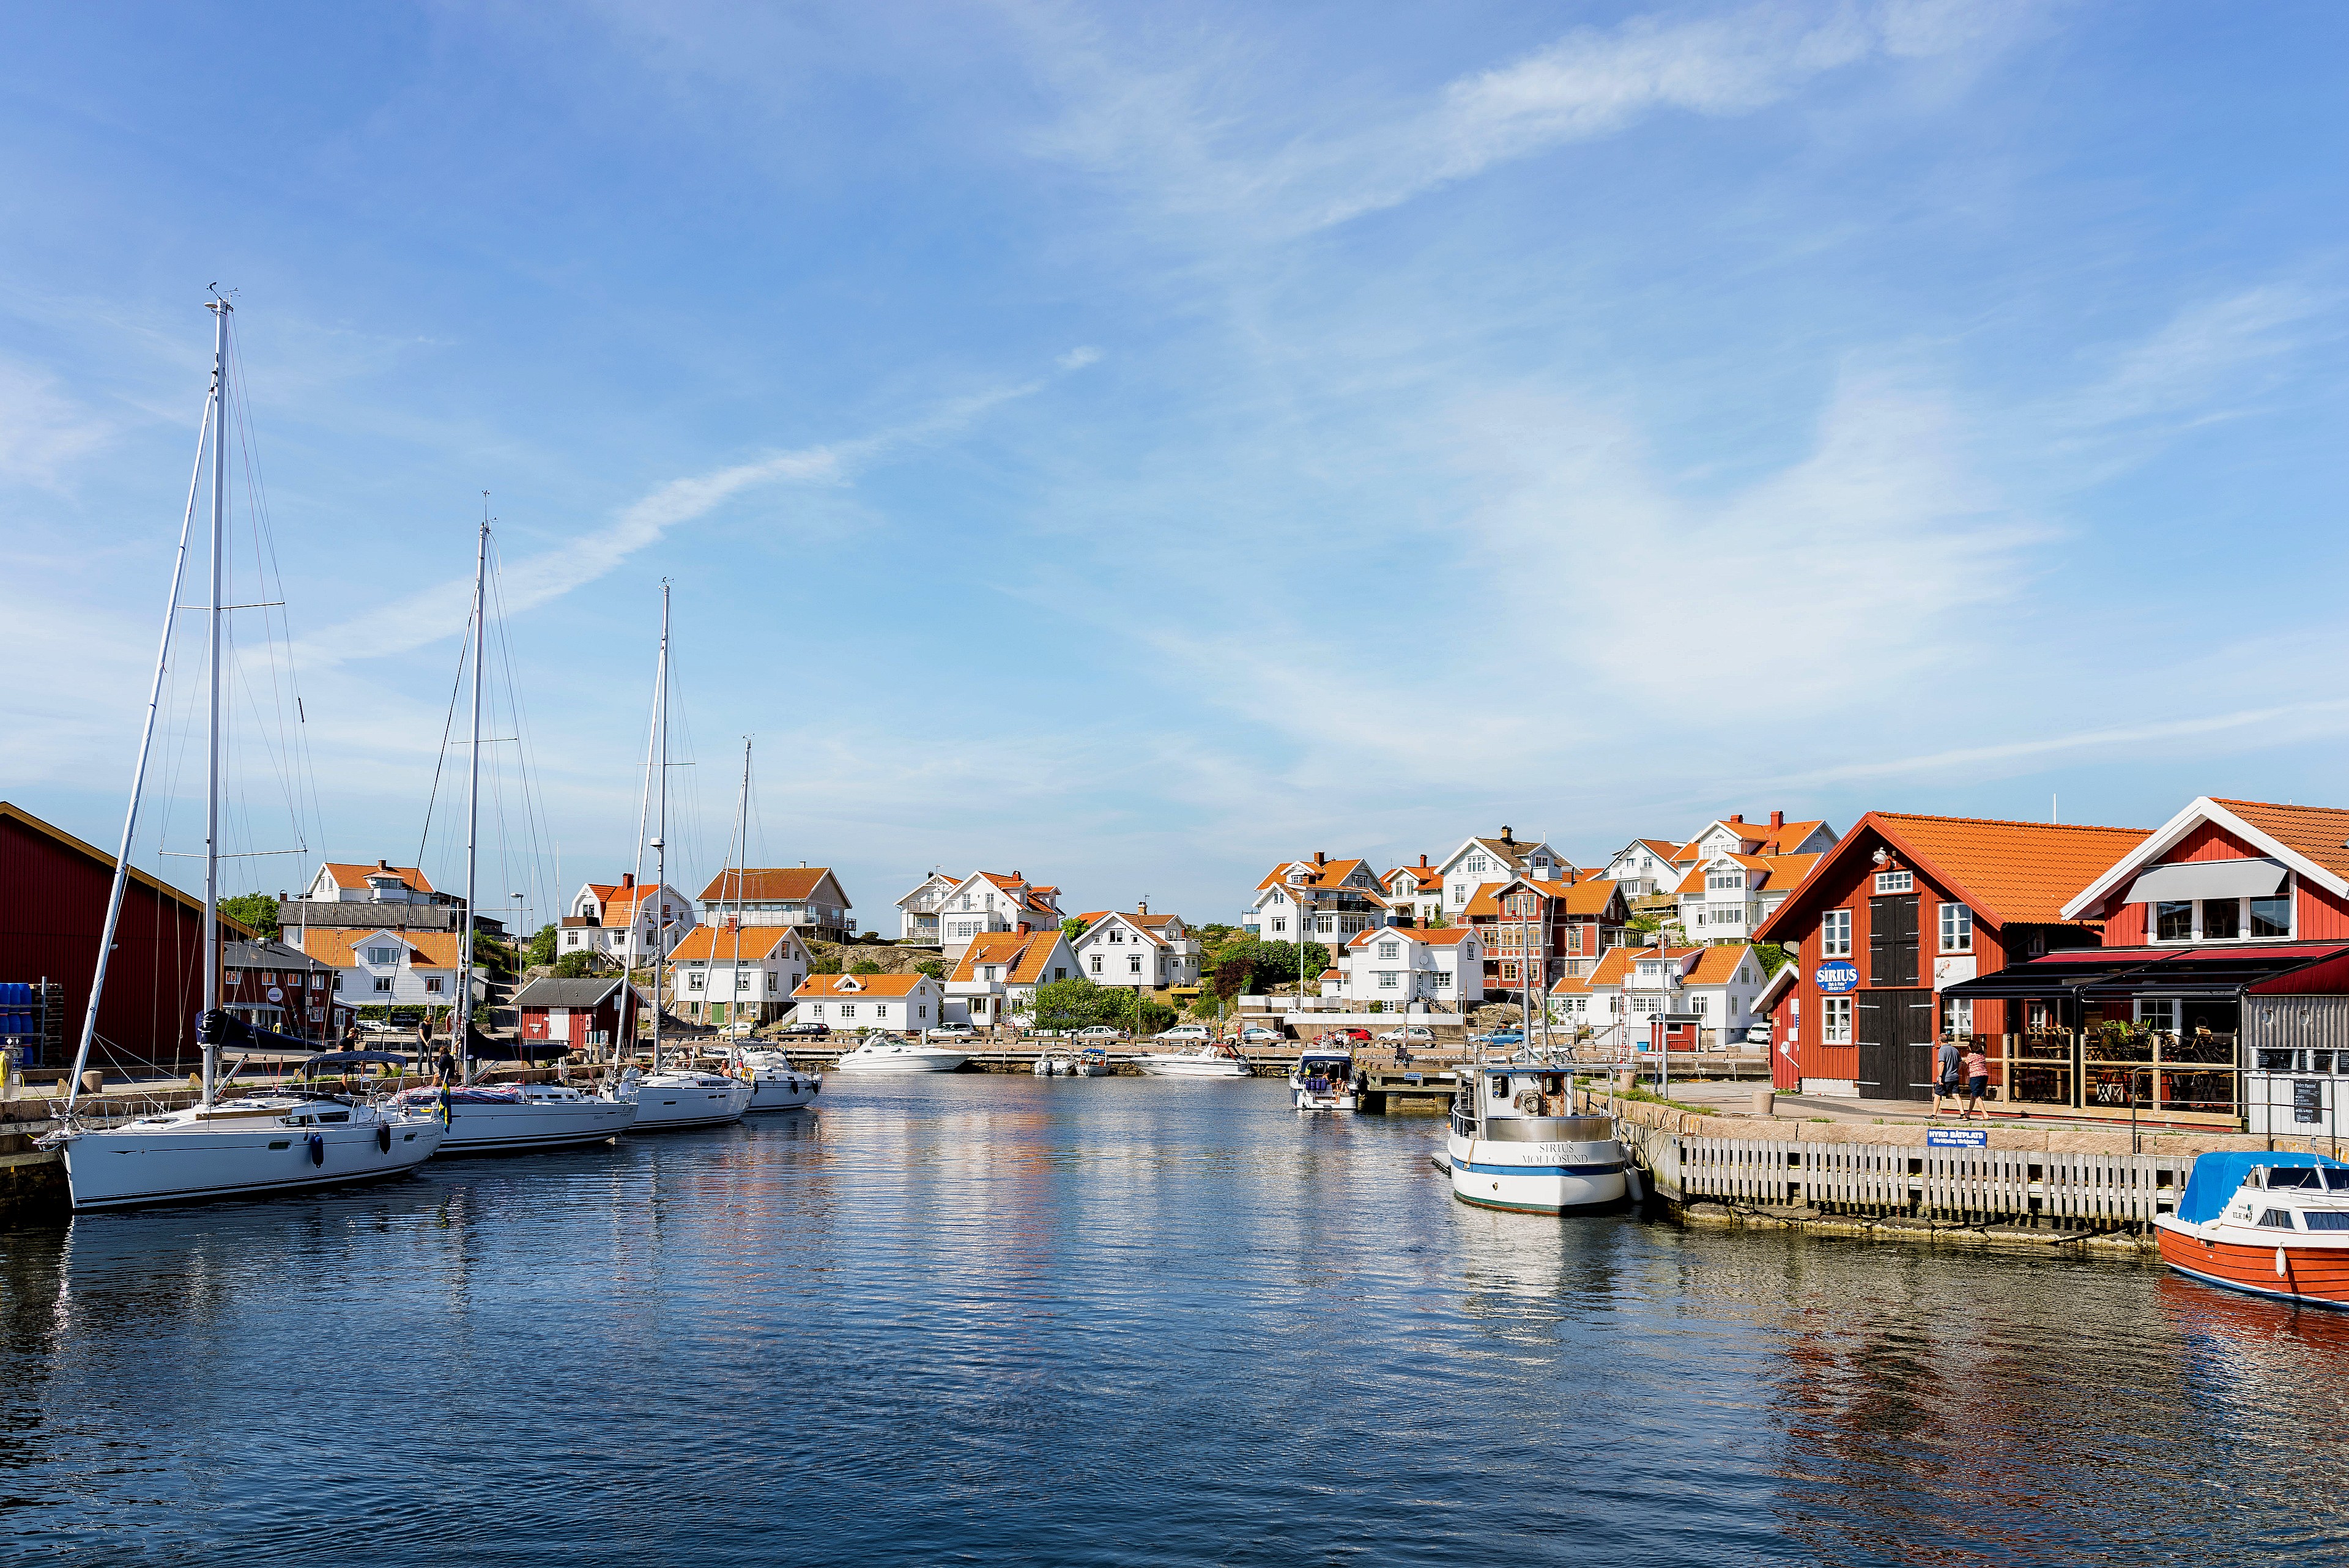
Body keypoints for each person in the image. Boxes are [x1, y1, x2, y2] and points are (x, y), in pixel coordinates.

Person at [1961, 1040, 1991, 1120]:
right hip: (1984, 1075)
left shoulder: (1971, 1055)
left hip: (1975, 1076)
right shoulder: (1982, 1055)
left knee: (1977, 1096)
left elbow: (1965, 1066)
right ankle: (1968, 1113)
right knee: (1973, 1095)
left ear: (1972, 1047)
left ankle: (1985, 1114)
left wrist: (1962, 1062)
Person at [1933, 1036, 1963, 1116]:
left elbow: (1942, 1063)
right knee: (1956, 1095)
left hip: (1946, 1077)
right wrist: (1956, 1071)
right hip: (1955, 1076)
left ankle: (1934, 1115)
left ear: (1940, 1041)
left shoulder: (1943, 1050)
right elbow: (1960, 1063)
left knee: (1937, 1095)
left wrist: (1940, 1076)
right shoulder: (1955, 1050)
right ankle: (1963, 1114)